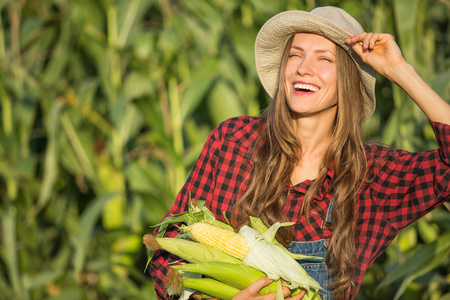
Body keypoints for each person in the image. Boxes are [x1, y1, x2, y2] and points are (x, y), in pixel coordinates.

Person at [148, 6, 450, 300]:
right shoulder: (234, 141)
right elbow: (168, 251)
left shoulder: (373, 177)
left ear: (347, 79)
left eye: (324, 59)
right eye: (295, 55)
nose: (304, 68)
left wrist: (400, 72)